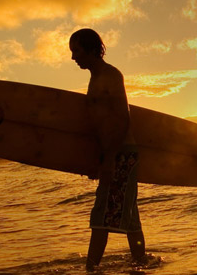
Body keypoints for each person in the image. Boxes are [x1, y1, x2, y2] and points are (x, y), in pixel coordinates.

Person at [69, 28, 147, 271]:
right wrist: (97, 159)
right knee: (130, 216)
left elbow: (123, 118)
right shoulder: (95, 77)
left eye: (77, 51)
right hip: (113, 152)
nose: (73, 57)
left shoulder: (111, 75)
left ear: (93, 49)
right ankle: (142, 264)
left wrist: (110, 158)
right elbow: (100, 123)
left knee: (102, 214)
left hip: (121, 152)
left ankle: (91, 269)